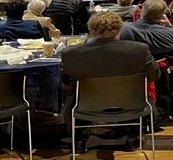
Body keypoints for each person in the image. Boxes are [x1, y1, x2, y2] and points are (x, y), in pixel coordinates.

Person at [60, 11, 160, 147]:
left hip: (86, 104)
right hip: (132, 103)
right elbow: (154, 75)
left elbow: (65, 81)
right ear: (119, 29)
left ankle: (80, 138)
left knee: (74, 91)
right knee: (134, 91)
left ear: (91, 30)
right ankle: (133, 135)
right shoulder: (140, 50)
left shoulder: (71, 53)